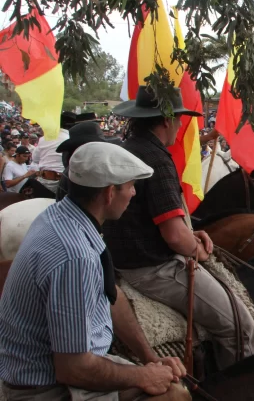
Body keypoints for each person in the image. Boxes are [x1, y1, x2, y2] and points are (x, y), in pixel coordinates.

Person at [0, 142, 188, 399]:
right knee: (176, 395)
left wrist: (151, 359)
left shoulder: (62, 216)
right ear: (110, 193)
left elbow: (110, 294)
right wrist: (144, 376)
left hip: (53, 370)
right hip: (45, 388)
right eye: (131, 186)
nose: (133, 193)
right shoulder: (75, 255)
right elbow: (73, 369)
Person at [105, 86, 254, 369]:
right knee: (241, 326)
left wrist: (189, 232)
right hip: (153, 270)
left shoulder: (127, 149)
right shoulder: (158, 159)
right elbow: (175, 236)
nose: (179, 124)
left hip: (123, 261)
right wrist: (196, 248)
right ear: (165, 120)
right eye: (178, 118)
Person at [30, 112, 74, 194]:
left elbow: (35, 159)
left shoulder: (43, 138)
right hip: (63, 183)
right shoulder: (72, 139)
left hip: (43, 181)